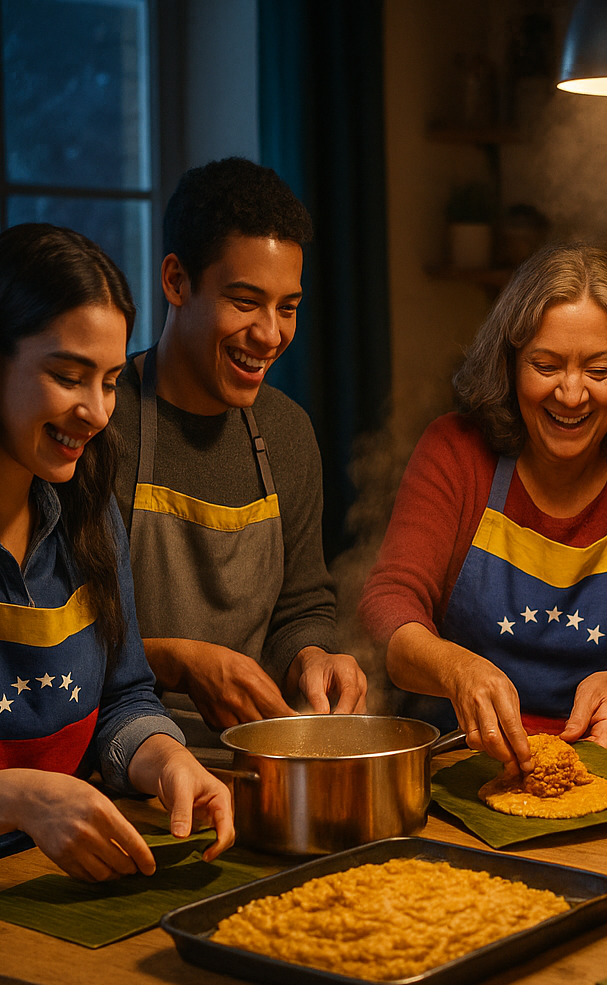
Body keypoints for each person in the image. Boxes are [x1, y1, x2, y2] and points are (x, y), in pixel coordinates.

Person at [0, 223, 233, 879]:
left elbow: (124, 698)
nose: (98, 413)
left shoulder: (89, 510)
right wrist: (22, 799)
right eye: (69, 377)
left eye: (109, 381)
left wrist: (167, 759)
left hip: (55, 879)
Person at [359, 243, 607, 776]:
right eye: (545, 366)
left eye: (600, 369)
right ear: (509, 362)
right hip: (462, 761)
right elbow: (388, 603)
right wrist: (456, 669)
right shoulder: (456, 450)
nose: (571, 394)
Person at [110, 158, 366, 753]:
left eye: (288, 307)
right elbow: (58, 640)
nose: (271, 334)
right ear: (177, 281)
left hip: (254, 761)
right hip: (120, 761)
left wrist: (314, 657)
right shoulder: (103, 423)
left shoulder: (287, 431)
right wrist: (179, 661)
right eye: (246, 302)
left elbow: (301, 605)